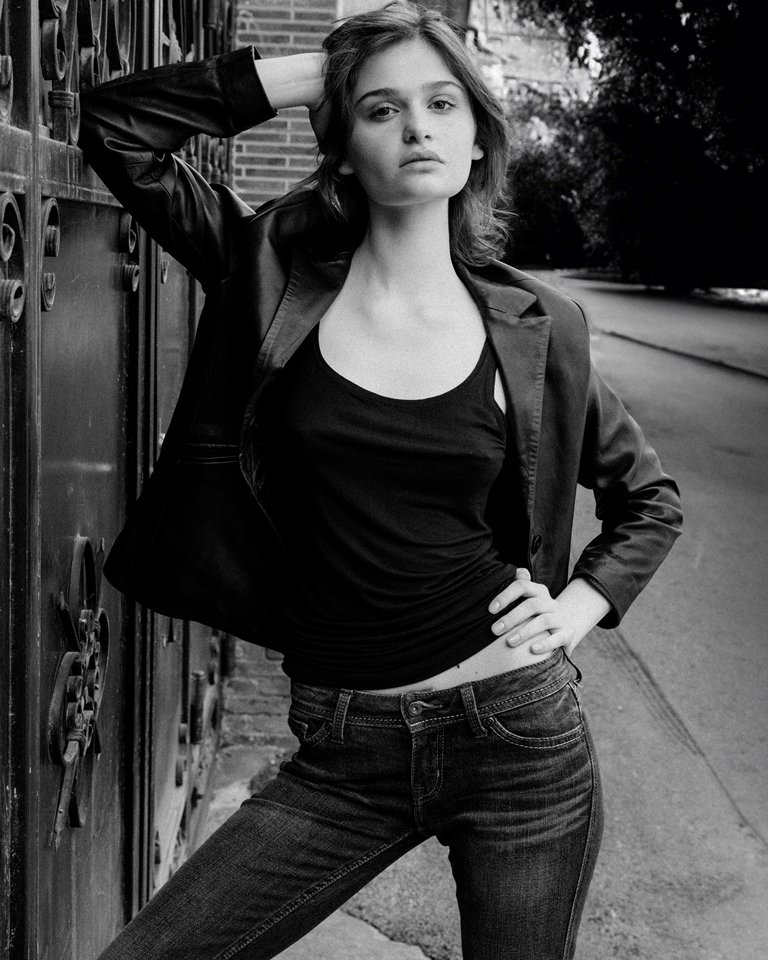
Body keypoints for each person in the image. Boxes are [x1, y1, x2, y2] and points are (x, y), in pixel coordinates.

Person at [80, 3, 682, 958]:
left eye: (442, 104)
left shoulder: (536, 327)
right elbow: (116, 127)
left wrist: (576, 610)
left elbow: (649, 500)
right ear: (343, 145)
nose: (416, 128)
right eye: (381, 109)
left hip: (518, 738)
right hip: (345, 752)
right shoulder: (266, 271)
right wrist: (322, 71)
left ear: (477, 140)